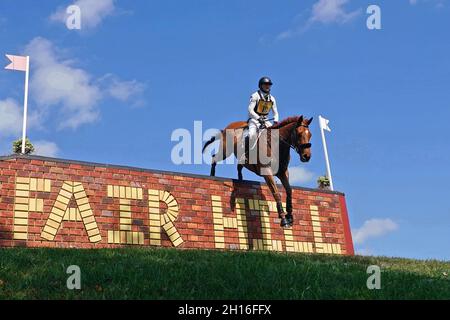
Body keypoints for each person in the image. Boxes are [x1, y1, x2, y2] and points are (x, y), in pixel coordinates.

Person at [244, 77, 279, 157]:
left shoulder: (272, 98)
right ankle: (245, 154)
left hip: (266, 120)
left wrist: (275, 122)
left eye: (269, 85)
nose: (268, 86)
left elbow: (275, 112)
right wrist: (258, 118)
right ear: (260, 86)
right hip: (254, 119)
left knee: (276, 135)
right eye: (265, 84)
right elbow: (250, 110)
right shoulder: (255, 95)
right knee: (252, 135)